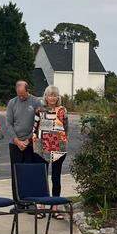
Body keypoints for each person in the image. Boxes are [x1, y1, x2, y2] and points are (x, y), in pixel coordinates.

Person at [34, 85, 69, 217]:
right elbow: (35, 129)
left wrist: (64, 143)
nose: (52, 98)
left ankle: (54, 208)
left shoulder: (62, 110)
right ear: (46, 97)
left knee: (56, 178)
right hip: (42, 148)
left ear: (57, 97)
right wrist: (37, 147)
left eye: (54, 95)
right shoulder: (40, 110)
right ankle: (41, 206)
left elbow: (66, 128)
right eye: (50, 95)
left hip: (58, 148)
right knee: (42, 178)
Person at [5, 80, 44, 170]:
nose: (21, 97)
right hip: (15, 143)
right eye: (19, 94)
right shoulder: (12, 102)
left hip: (31, 144)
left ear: (28, 90)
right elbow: (9, 124)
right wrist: (17, 141)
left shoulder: (37, 102)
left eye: (23, 94)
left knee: (29, 172)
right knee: (16, 172)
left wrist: (27, 141)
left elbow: (40, 123)